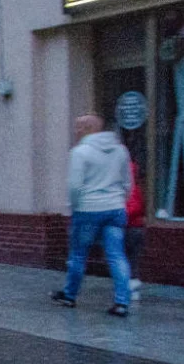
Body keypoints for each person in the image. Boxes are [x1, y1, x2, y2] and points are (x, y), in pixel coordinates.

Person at [51, 114, 133, 317]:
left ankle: (69, 296)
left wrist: (72, 209)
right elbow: (127, 181)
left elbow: (75, 186)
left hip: (88, 209)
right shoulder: (120, 150)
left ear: (89, 128)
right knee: (117, 256)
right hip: (115, 210)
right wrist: (120, 200)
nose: (76, 131)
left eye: (79, 127)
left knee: (78, 255)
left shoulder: (80, 152)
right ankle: (122, 302)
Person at [126, 161, 145, 301]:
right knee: (133, 258)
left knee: (127, 258)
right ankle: (132, 284)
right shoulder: (137, 189)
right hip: (137, 228)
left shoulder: (128, 190)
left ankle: (131, 286)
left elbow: (133, 209)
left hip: (130, 228)